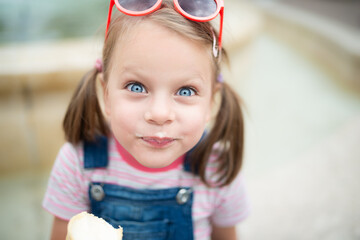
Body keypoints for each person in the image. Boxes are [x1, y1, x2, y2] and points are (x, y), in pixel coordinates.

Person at [43, 0, 250, 239]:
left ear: (210, 104)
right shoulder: (77, 165)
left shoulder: (217, 169)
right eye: (136, 87)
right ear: (107, 94)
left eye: (185, 91)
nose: (160, 114)